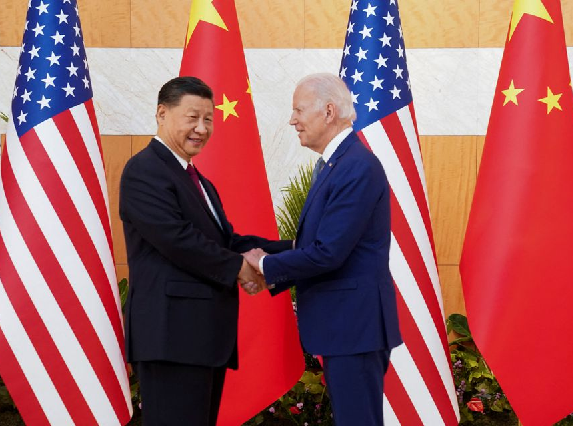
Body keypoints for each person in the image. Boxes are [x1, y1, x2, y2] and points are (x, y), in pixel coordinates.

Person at [119, 76, 291, 426]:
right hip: (172, 338)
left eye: (208, 119)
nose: (201, 128)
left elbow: (227, 242)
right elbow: (176, 239)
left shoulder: (199, 181)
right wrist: (240, 269)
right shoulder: (144, 171)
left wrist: (300, 250)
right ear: (162, 114)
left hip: (200, 338)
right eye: (192, 117)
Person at [244, 73, 402, 425]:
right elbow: (313, 245)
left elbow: (329, 252)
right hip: (346, 326)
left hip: (354, 327)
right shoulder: (336, 163)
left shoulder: (356, 166)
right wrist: (257, 255)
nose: (292, 120)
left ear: (328, 111)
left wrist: (266, 267)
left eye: (299, 110)